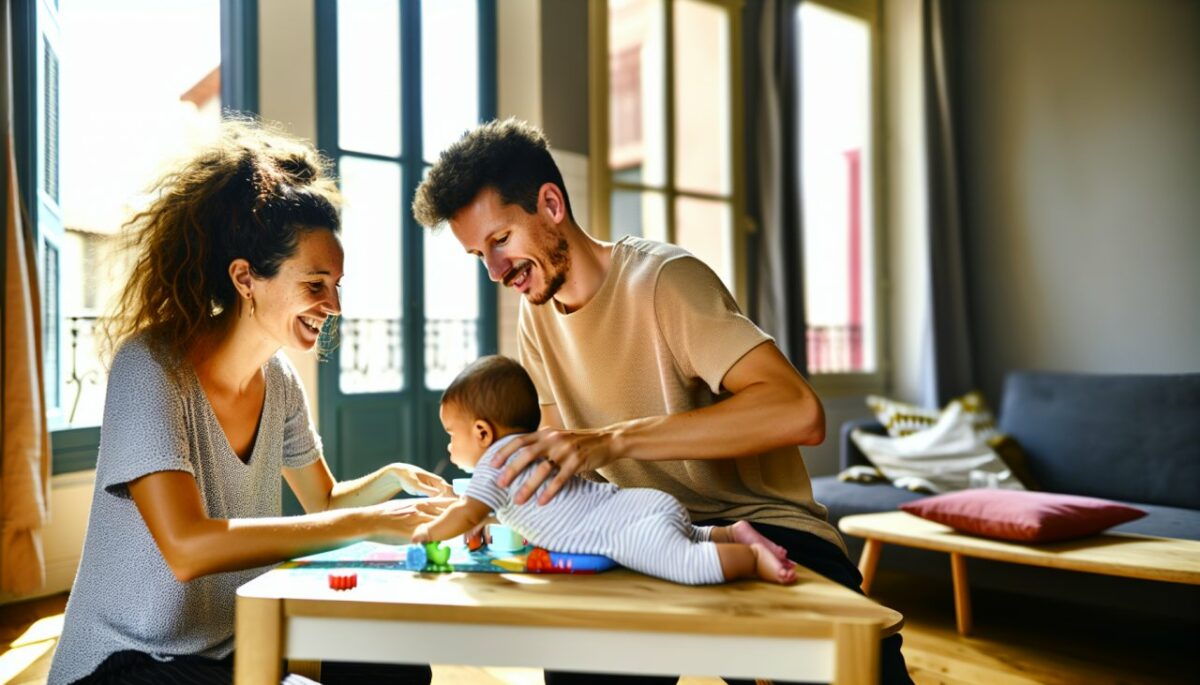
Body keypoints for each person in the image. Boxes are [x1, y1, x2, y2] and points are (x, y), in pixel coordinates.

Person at [412, 118, 912, 684]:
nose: (496, 272)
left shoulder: (665, 281)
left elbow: (799, 411)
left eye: (500, 241)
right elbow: (558, 469)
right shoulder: (536, 318)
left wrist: (615, 439)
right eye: (480, 254)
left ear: (551, 204)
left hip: (760, 529)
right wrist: (497, 510)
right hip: (637, 537)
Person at [49, 120, 452, 685]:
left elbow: (324, 499)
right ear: (245, 279)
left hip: (233, 647)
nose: (332, 304)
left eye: (337, 284)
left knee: (399, 670)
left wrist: (392, 481)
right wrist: (370, 521)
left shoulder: (280, 380)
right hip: (126, 663)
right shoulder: (151, 366)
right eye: (315, 284)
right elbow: (187, 546)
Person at [413, 356, 797, 585]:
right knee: (687, 534)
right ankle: (730, 534)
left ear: (482, 432)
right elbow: (503, 509)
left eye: (451, 435)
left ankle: (752, 562)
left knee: (685, 563)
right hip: (638, 505)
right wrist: (485, 520)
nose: (449, 446)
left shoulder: (493, 464)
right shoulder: (536, 450)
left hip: (621, 531)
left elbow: (466, 511)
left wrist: (429, 532)